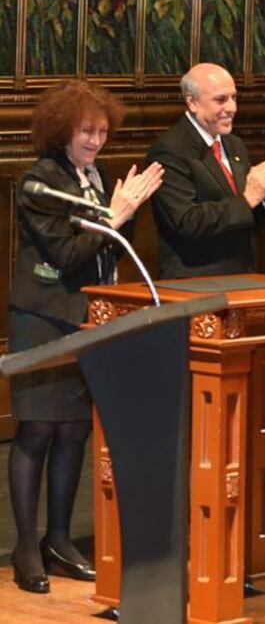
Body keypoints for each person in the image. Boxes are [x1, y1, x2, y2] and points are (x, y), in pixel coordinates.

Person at [8, 80, 163, 593]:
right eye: (86, 131)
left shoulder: (97, 176)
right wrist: (114, 217)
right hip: (43, 319)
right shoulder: (40, 180)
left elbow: (108, 252)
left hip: (89, 318)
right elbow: (66, 255)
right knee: (37, 431)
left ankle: (59, 538)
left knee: (74, 430)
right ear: (62, 130)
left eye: (101, 131)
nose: (95, 141)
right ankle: (25, 545)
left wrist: (121, 218)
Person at [149, 62, 265, 279]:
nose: (232, 108)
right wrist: (249, 198)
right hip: (195, 284)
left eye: (234, 98)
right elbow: (188, 222)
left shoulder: (234, 145)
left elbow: (244, 216)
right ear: (192, 102)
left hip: (241, 275)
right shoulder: (170, 150)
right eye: (220, 100)